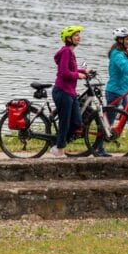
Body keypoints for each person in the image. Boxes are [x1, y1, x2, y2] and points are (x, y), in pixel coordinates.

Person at [50, 25, 88, 157]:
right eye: (76, 35)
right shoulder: (66, 51)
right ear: (68, 38)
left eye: (79, 35)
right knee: (65, 122)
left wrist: (84, 71)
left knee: (77, 122)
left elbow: (70, 70)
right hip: (62, 91)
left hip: (70, 92)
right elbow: (64, 72)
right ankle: (59, 150)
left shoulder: (70, 52)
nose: (79, 37)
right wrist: (78, 75)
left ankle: (58, 144)